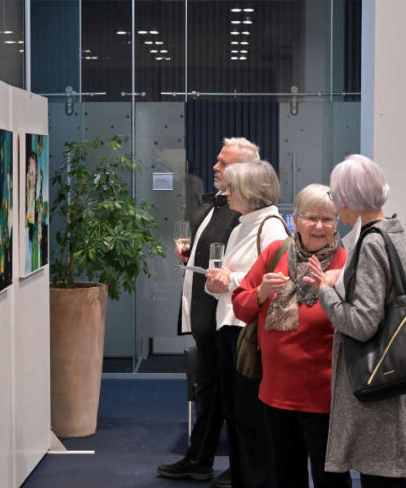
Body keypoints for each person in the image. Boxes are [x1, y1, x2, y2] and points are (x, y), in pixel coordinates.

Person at [305, 155, 406, 488]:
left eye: (338, 198)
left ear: (347, 199)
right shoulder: (398, 233)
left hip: (382, 391)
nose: (336, 206)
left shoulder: (371, 244)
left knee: (381, 480)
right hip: (404, 378)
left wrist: (326, 291)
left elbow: (362, 323)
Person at [232, 184, 352, 488]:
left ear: (336, 222)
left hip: (325, 395)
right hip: (276, 391)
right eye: (311, 218)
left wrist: (328, 290)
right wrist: (260, 293)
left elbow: (355, 322)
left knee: (331, 479)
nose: (319, 226)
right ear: (294, 220)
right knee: (285, 475)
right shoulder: (276, 253)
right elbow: (240, 307)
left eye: (328, 219)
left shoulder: (345, 262)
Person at [157, 137, 261, 487]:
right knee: (210, 393)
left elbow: (250, 269)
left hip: (227, 320)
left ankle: (238, 468)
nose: (215, 167)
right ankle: (199, 459)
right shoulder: (220, 205)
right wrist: (191, 256)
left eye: (223, 163)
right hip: (207, 316)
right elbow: (215, 253)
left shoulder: (247, 212)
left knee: (233, 399)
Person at [205, 160, 289, 488]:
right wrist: (219, 283)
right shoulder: (243, 223)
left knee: (250, 415)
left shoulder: (270, 226)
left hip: (248, 330)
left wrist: (228, 280)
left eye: (232, 188)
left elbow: (275, 278)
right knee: (236, 412)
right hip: (232, 324)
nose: (226, 193)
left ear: (251, 193)